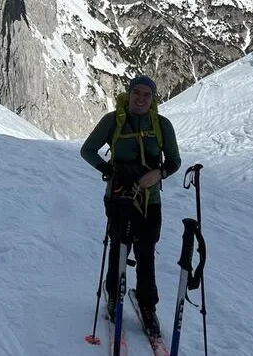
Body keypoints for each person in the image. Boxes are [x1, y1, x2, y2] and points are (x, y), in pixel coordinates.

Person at [80, 74, 181, 336]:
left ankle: (148, 305)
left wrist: (158, 174)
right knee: (119, 247)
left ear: (153, 98)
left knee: (146, 251)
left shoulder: (162, 125)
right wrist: (110, 171)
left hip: (150, 200)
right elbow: (87, 150)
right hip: (119, 196)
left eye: (147, 94)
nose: (141, 99)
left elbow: (174, 161)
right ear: (129, 93)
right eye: (137, 92)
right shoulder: (113, 120)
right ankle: (114, 295)